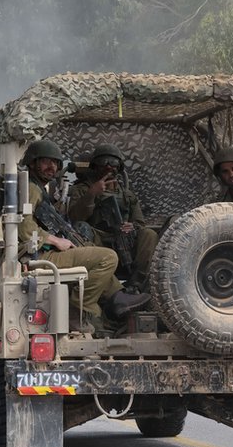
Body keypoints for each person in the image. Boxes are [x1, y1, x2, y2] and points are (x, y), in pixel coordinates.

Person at [18, 139, 149, 333]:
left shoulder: (37, 188)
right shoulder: (31, 188)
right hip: (38, 255)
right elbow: (25, 228)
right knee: (107, 257)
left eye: (55, 163)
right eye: (45, 161)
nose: (51, 167)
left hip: (43, 251)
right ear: (32, 162)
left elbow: (140, 222)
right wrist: (55, 240)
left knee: (93, 250)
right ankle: (79, 310)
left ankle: (118, 298)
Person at [67, 144, 158, 291]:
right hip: (97, 240)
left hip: (124, 240)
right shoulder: (82, 190)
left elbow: (139, 223)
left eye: (114, 163)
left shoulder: (127, 195)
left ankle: (137, 284)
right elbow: (75, 218)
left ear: (119, 167)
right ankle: (111, 288)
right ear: (95, 166)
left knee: (149, 234)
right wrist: (92, 194)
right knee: (81, 228)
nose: (109, 167)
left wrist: (132, 226)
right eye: (104, 162)